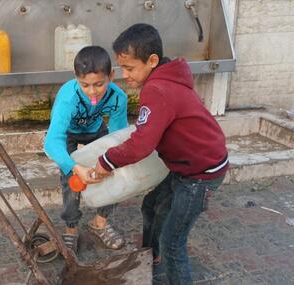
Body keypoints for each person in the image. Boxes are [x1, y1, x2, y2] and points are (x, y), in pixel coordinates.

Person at [94, 23, 228, 284]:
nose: (125, 75)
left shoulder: (156, 89)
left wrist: (106, 161)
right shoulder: (166, 80)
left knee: (173, 242)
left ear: (152, 60)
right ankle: (150, 258)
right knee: (152, 205)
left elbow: (142, 143)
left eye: (130, 68)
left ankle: (162, 255)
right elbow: (149, 132)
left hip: (200, 175)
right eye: (123, 67)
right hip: (186, 167)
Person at [44, 46, 128, 254]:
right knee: (72, 181)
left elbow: (118, 137)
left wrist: (110, 161)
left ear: (111, 76)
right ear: (76, 79)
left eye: (99, 84)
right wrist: (74, 167)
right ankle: (71, 229)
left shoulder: (118, 98)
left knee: (114, 170)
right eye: (85, 85)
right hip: (69, 134)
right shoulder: (68, 98)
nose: (92, 92)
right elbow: (52, 141)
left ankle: (99, 222)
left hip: (96, 129)